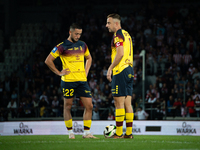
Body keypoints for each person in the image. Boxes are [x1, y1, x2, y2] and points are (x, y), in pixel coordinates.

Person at [44, 23, 97, 139]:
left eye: (80, 34)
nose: (78, 36)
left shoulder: (83, 45)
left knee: (90, 106)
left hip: (82, 81)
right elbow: (48, 60)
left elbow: (89, 58)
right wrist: (58, 72)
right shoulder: (61, 46)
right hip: (68, 81)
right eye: (76, 34)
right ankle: (70, 133)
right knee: (68, 106)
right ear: (70, 32)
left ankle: (87, 133)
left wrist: (86, 71)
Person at [106, 13, 134, 139]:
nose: (107, 25)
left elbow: (120, 53)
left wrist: (110, 68)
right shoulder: (126, 34)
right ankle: (128, 134)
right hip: (129, 70)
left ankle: (118, 133)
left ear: (116, 23)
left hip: (120, 70)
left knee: (118, 103)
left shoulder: (117, 35)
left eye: (109, 23)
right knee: (128, 103)